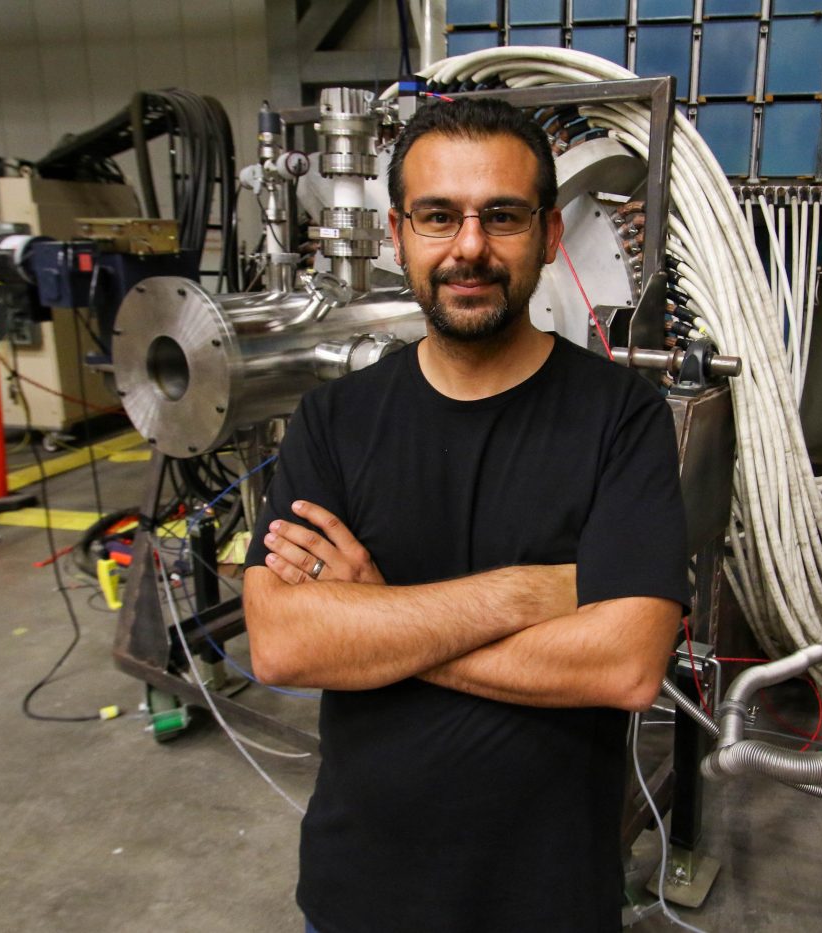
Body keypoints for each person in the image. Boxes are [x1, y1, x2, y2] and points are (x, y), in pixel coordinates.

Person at [242, 97, 689, 933]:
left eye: (503, 216)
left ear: (549, 235)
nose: (470, 246)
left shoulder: (622, 417)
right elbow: (282, 642)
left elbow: (624, 664)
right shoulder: (334, 422)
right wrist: (530, 594)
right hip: (359, 897)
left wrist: (375, 619)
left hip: (547, 900)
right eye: (439, 216)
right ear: (398, 232)